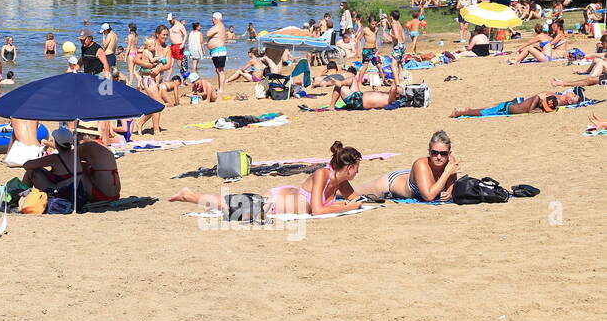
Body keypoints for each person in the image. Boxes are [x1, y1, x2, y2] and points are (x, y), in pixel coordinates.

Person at [171, 141, 365, 215]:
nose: (358, 171)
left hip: (281, 202)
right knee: (227, 205)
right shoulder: (323, 174)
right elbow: (317, 210)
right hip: (272, 203)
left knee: (230, 205)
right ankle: (189, 195)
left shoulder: (341, 181)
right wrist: (346, 206)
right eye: (356, 167)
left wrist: (352, 204)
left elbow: (356, 199)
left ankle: (190, 195)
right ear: (348, 168)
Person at [355, 130, 460, 202]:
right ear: (429, 151)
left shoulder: (451, 161)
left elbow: (449, 190)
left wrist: (449, 193)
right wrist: (446, 172)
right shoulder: (421, 164)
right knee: (350, 192)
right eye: (434, 152)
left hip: (410, 176)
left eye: (443, 153)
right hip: (390, 184)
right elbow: (429, 196)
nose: (438, 157)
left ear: (449, 153)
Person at [449, 88, 581, 118]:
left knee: (488, 110)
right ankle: (461, 112)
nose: (572, 93)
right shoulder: (540, 101)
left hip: (510, 107)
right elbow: (535, 97)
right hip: (510, 107)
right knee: (484, 112)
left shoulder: (556, 100)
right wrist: (532, 110)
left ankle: (466, 110)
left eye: (573, 95)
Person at [76, 121, 121, 202]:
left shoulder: (86, 146)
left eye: (78, 134)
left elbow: (68, 155)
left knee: (76, 168)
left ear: (83, 135)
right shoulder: (102, 145)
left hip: (102, 196)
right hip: (115, 195)